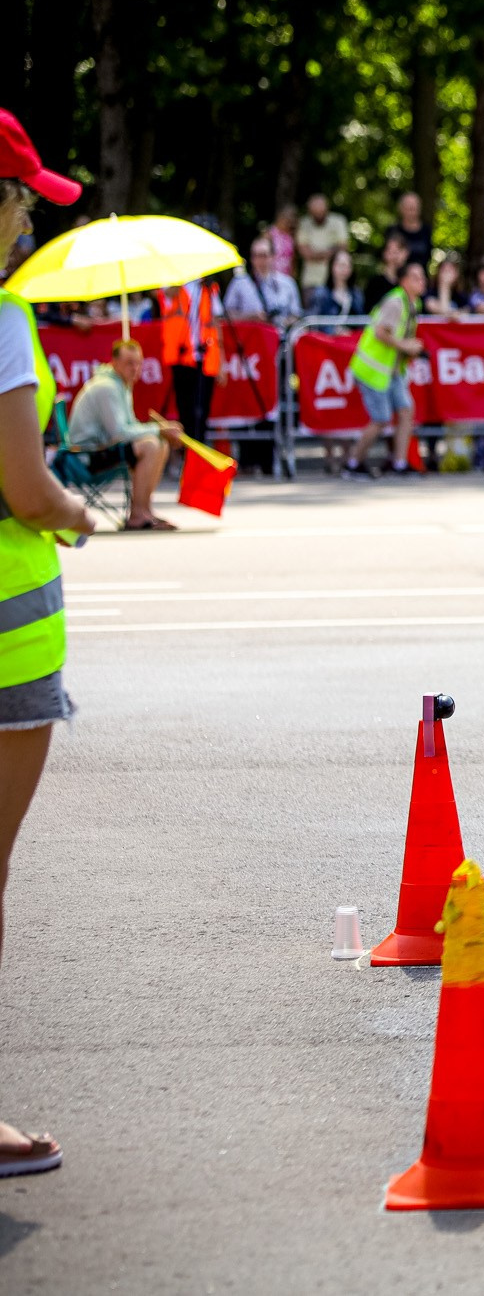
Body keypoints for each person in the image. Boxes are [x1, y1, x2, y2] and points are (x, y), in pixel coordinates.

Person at [0, 114, 93, 1182]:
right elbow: (24, 490)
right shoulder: (2, 323)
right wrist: (76, 508)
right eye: (20, 197)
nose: (29, 214)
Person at [65, 340, 183, 530]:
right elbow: (119, 433)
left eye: (138, 363)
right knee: (151, 445)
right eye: (129, 363)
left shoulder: (120, 385)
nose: (135, 368)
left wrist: (160, 430)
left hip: (101, 449)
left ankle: (144, 509)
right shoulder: (107, 387)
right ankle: (137, 514)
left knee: (160, 443)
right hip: (86, 456)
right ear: (114, 362)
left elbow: (129, 427)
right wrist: (159, 429)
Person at [344, 258, 426, 479]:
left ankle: (399, 463)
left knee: (406, 410)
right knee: (380, 419)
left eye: (422, 277)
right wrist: (406, 345)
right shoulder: (395, 302)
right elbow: (381, 332)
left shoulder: (412, 303)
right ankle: (353, 463)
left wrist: (408, 348)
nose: (422, 281)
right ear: (404, 281)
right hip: (373, 369)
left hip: (391, 370)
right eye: (416, 277)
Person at [156, 278, 219, 445]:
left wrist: (223, 359)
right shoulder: (173, 283)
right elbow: (167, 293)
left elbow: (215, 322)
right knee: (186, 410)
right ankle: (188, 451)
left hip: (206, 356)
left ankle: (200, 452)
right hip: (182, 357)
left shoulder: (208, 287)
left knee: (203, 410)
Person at [223, 237, 302, 326]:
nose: (259, 260)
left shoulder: (287, 283)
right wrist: (251, 317)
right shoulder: (239, 283)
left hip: (280, 336)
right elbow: (227, 314)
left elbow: (296, 315)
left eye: (263, 255)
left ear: (273, 256)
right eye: (255, 256)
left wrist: (281, 322)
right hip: (250, 335)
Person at [295, 194, 350, 294]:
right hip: (310, 281)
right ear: (310, 212)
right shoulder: (304, 223)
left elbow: (343, 248)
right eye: (315, 213)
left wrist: (316, 253)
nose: (319, 216)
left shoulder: (338, 221)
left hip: (335, 281)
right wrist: (331, 251)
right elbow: (306, 253)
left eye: (321, 212)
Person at [309, 250, 365, 317]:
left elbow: (360, 320)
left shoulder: (356, 294)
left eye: (348, 265)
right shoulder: (321, 294)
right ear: (332, 266)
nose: (344, 269)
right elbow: (314, 320)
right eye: (341, 265)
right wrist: (332, 327)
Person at [385, 191, 433, 270]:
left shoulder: (427, 231)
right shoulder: (392, 231)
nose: (412, 212)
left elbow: (429, 256)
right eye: (409, 208)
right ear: (401, 209)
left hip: (420, 277)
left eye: (415, 208)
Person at [363, 234, 409, 309]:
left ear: (406, 253)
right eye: (391, 250)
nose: (395, 255)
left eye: (399, 250)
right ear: (384, 253)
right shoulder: (374, 283)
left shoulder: (409, 282)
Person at [425, 251, 472, 316]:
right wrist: (444, 286)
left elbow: (466, 311)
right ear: (438, 273)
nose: (446, 274)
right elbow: (442, 311)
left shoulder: (461, 295)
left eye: (450, 270)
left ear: (456, 275)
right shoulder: (430, 293)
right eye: (444, 270)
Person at [267, 204, 299, 280]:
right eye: (287, 220)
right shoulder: (270, 234)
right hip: (271, 275)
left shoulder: (291, 236)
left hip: (286, 277)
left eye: (292, 221)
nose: (289, 223)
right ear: (280, 217)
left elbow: (293, 257)